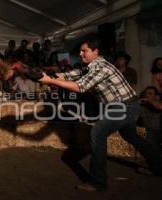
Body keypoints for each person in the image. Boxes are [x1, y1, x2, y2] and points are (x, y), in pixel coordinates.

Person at [39, 35, 162, 191]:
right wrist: (46, 75)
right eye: (80, 51)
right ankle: (158, 167)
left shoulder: (100, 67)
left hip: (123, 107)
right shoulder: (91, 66)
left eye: (85, 51)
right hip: (127, 106)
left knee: (97, 134)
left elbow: (79, 87)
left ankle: (98, 182)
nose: (81, 54)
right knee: (131, 136)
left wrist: (50, 81)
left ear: (95, 51)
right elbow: (70, 75)